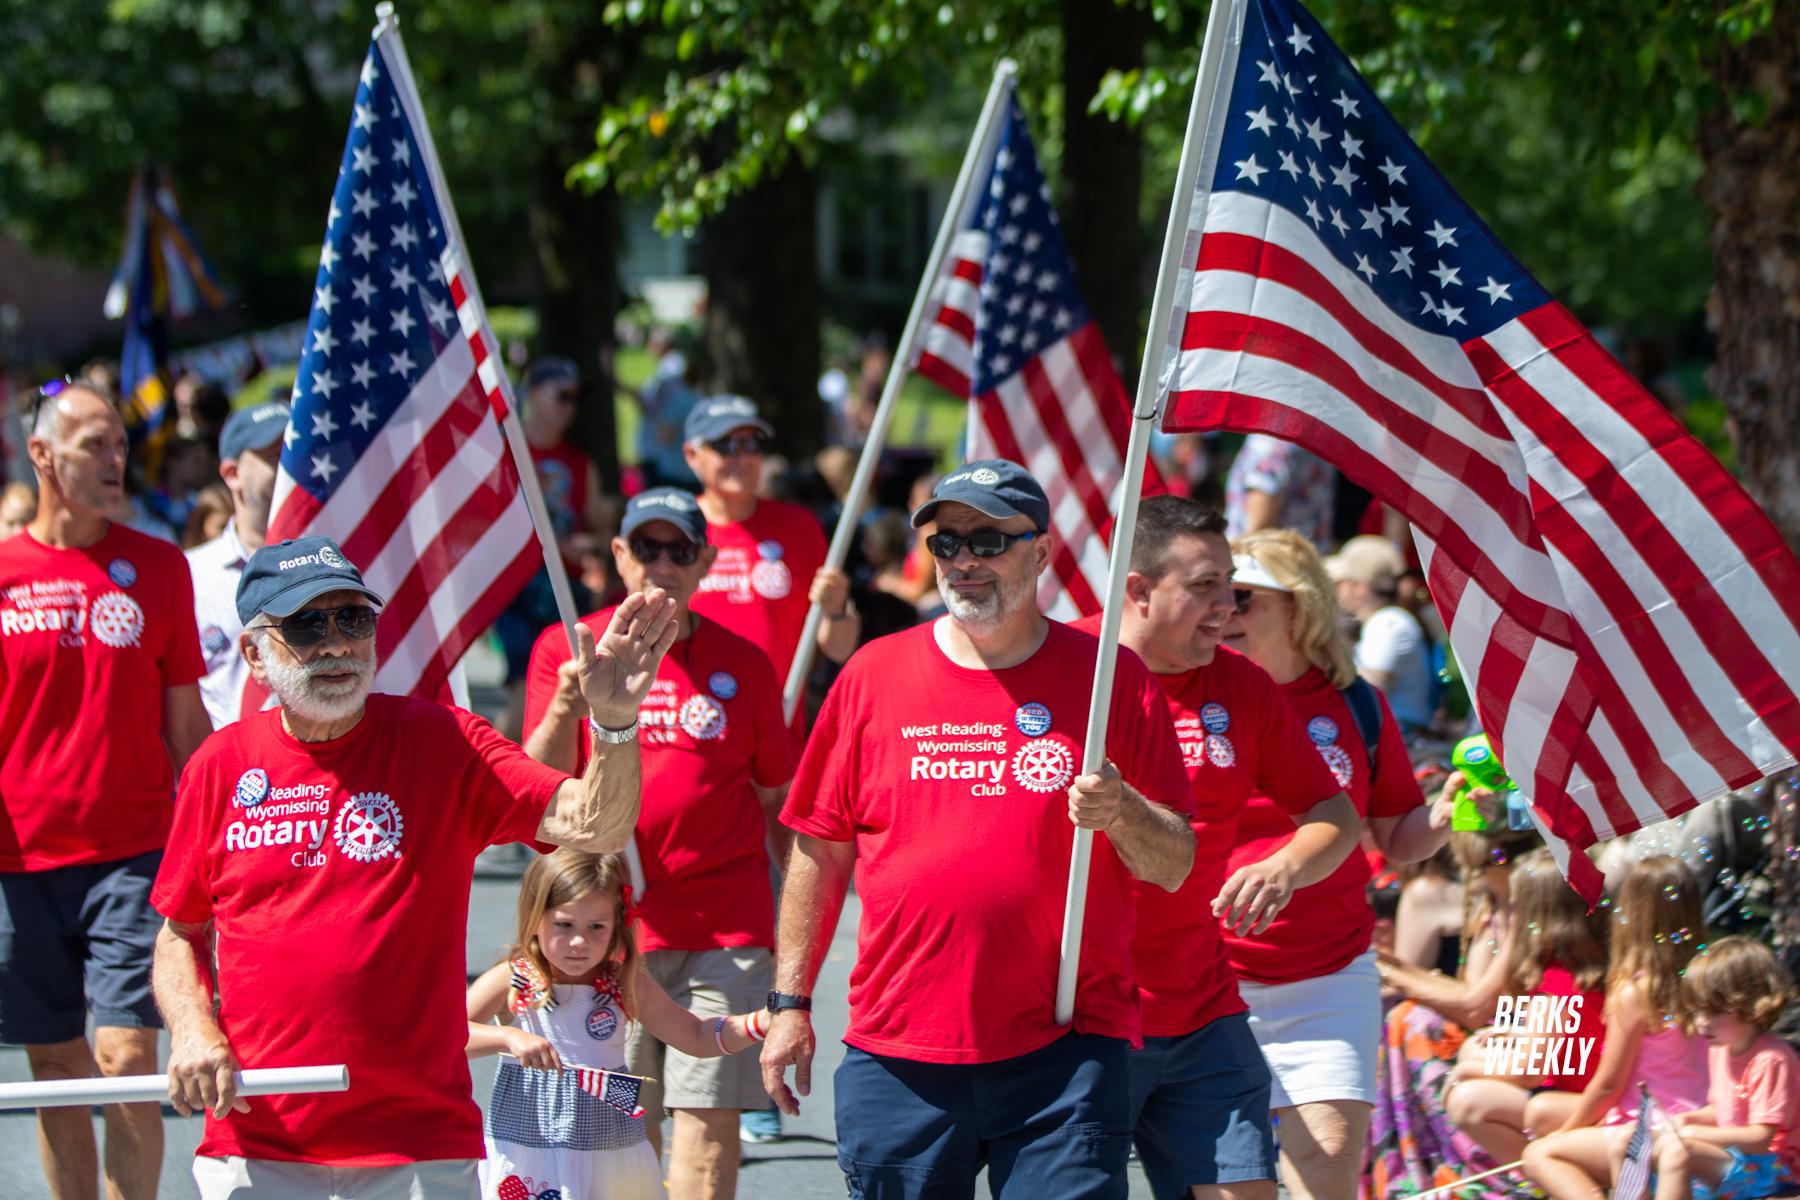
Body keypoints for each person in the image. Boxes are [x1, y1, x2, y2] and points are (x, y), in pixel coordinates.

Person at [150, 534, 679, 1199]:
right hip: (261, 1139)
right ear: (255, 654)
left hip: (417, 1145)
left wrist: (615, 721)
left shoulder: (441, 740)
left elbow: (595, 825)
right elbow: (179, 933)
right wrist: (195, 1032)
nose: (337, 643)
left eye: (353, 618)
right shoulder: (219, 766)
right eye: (308, 624)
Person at [761, 460, 1197, 1199]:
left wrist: (1123, 811)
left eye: (989, 541)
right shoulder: (873, 673)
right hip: (900, 1047)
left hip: (1065, 1043)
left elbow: (1174, 863)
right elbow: (819, 850)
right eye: (946, 543)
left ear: (1040, 552)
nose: (965, 560)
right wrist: (789, 1006)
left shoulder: (1108, 679)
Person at [1075, 496, 1362, 1200]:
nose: (1227, 604)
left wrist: (1286, 865)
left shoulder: (1243, 686)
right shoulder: (1067, 671)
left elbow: (1337, 816)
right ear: (1137, 591)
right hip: (1081, 1020)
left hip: (1203, 1011)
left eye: (1230, 583)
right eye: (1204, 585)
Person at [522, 487, 795, 1200]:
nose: (663, 565)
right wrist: (566, 703)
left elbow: (777, 807)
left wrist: (797, 944)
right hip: (606, 932)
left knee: (706, 1128)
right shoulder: (567, 647)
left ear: (706, 561)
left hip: (724, 930)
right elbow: (532, 789)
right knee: (620, 1133)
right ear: (620, 555)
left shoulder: (748, 664)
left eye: (681, 551)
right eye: (647, 548)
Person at [0, 377, 213, 1200]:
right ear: (43, 456)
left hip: (134, 856)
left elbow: (187, 728)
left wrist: (212, 854)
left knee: (127, 1058)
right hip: (18, 864)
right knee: (55, 1065)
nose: (116, 458)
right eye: (95, 443)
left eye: (120, 443)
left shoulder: (158, 568)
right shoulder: (6, 573)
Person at [1223, 529, 1457, 1200]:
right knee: (1238, 1186)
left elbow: (1396, 837)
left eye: (1243, 598)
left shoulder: (1357, 705)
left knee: (1328, 1169)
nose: (1223, 612)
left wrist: (1442, 815)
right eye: (1215, 594)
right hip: (1207, 982)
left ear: (1300, 607)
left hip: (1327, 975)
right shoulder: (1188, 697)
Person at [466, 849, 773, 1200]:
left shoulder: (624, 982)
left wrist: (765, 1021)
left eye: (596, 926)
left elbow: (696, 1036)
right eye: (564, 925)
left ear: (616, 924)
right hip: (530, 1150)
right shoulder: (515, 978)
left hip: (609, 1152)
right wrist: (507, 1037)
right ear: (535, 918)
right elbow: (449, 1037)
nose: (580, 941)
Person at [1384, 846, 1609, 1164]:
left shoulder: (1558, 979)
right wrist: (1512, 1039)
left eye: (1518, 907)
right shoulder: (1575, 966)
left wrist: (1464, 1067)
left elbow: (1532, 1071)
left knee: (1469, 1100)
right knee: (1476, 1060)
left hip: (1575, 1100)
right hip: (1570, 1090)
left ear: (1537, 915)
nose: (1512, 916)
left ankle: (1547, 1179)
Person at [1521, 856, 1712, 1199]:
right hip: (1696, 1116)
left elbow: (1609, 1084)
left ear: (1633, 915)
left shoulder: (1636, 991)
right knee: (1541, 1110)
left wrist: (1565, 1134)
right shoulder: (1705, 977)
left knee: (1538, 1154)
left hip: (1651, 1124)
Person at [683, 395, 859, 693]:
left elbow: (839, 649)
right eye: (725, 445)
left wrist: (837, 609)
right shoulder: (674, 529)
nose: (742, 457)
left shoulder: (799, 527)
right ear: (692, 455)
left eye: (751, 444)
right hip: (694, 724)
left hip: (778, 721)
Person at [1634, 936, 1800, 1200]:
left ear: (1751, 1005)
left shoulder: (1770, 1059)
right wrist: (1689, 1119)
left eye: (1712, 1012)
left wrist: (1695, 1133)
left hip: (1777, 1168)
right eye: (1695, 1012)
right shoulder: (1719, 1049)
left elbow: (1761, 1137)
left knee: (1680, 1151)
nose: (1701, 1023)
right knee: (1634, 1143)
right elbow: (1725, 1110)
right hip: (1741, 1159)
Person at [186, 402, 289, 728]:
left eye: (295, 450)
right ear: (232, 474)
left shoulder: (335, 560)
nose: (292, 464)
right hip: (232, 770)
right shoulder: (192, 574)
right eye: (275, 454)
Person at [1324, 535, 1435, 735]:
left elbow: (1368, 690)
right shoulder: (1384, 622)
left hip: (1403, 741)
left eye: (1340, 583)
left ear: (1360, 588)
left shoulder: (1388, 622)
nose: (1334, 590)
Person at [1224, 434, 1336, 551]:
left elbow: (1258, 527)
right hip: (1304, 559)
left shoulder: (1272, 444)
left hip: (1271, 561)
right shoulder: (1319, 442)